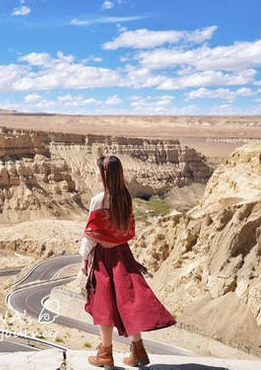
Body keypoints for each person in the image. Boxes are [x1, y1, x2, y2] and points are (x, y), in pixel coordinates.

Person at [80, 155, 176, 368]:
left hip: (103, 258)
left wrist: (84, 258)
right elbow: (127, 229)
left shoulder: (98, 200)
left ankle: (105, 353)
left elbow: (91, 234)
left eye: (97, 170)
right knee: (128, 301)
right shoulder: (125, 198)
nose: (94, 174)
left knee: (102, 304)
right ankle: (138, 351)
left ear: (104, 175)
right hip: (122, 254)